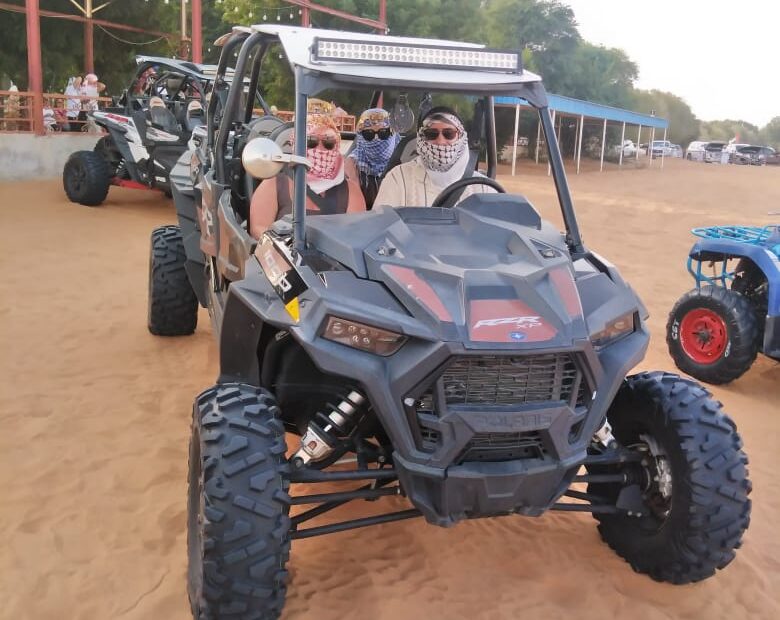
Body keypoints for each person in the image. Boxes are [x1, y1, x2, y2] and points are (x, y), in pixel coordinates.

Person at [249, 112, 365, 239]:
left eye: (328, 142)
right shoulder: (275, 184)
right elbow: (258, 229)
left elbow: (357, 236)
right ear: (297, 144)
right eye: (311, 141)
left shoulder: (351, 190)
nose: (320, 148)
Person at [374, 106, 496, 208]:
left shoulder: (483, 187)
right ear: (421, 138)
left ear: (461, 138)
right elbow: (381, 226)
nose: (440, 141)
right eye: (431, 134)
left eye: (449, 134)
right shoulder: (398, 179)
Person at [344, 107, 399, 208]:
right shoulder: (352, 164)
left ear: (391, 133)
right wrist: (354, 181)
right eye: (369, 134)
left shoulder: (402, 160)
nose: (376, 139)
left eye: (383, 133)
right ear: (361, 136)